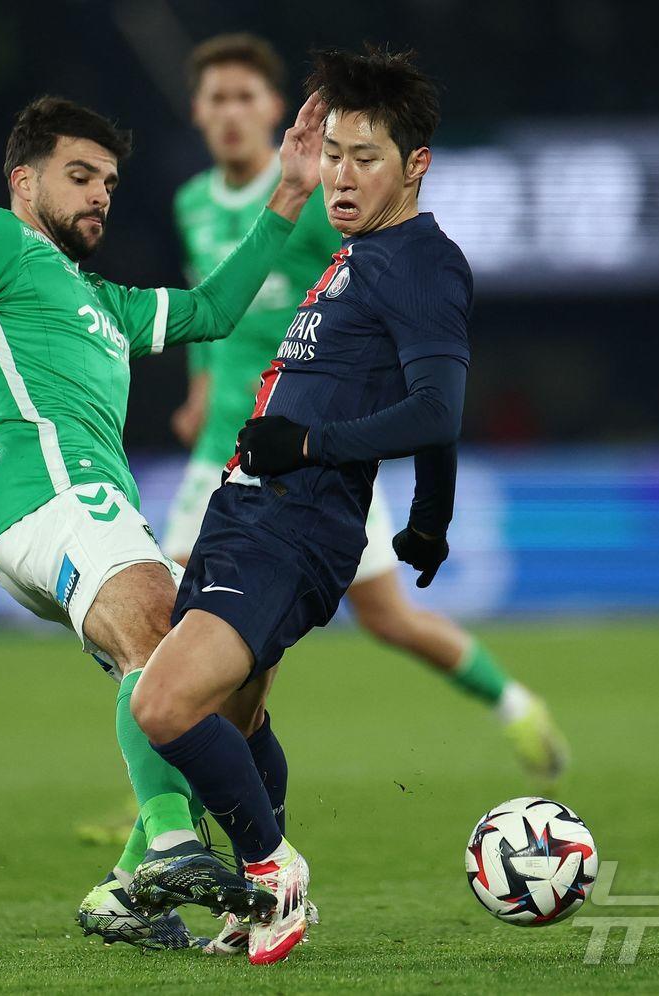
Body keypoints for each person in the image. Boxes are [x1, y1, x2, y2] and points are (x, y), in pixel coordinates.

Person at [0, 92, 327, 948]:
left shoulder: (101, 301)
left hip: (91, 513)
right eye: (80, 175)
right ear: (25, 180)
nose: (100, 193)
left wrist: (287, 193)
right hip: (47, 497)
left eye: (110, 181)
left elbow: (211, 310)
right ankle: (175, 844)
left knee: (237, 671)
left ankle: (126, 892)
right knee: (164, 634)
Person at [130, 45, 475, 965]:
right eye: (336, 154)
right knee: (238, 723)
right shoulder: (356, 255)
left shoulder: (422, 262)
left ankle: (273, 869)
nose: (344, 175)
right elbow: (425, 419)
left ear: (415, 166)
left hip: (297, 520)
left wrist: (313, 446)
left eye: (367, 157)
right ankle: (258, 907)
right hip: (247, 509)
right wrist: (429, 518)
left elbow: (440, 406)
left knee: (161, 707)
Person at [166, 35, 568, 801]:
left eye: (244, 97)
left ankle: (511, 701)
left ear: (278, 111)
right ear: (196, 111)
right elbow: (214, 306)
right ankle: (175, 815)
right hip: (232, 447)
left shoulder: (349, 223)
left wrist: (356, 464)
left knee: (375, 621)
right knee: (187, 645)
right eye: (215, 98)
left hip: (309, 462)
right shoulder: (195, 203)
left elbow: (422, 381)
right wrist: (199, 387)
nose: (229, 114)